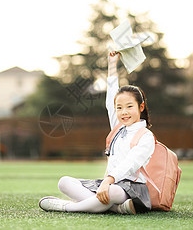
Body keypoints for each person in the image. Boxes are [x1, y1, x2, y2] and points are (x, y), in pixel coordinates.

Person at [38, 51, 155, 214]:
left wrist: (108, 181)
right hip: (109, 184)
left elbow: (130, 164)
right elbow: (111, 99)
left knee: (111, 192)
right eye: (119, 108)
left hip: (130, 189)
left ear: (140, 107)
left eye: (129, 106)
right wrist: (112, 64)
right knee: (64, 182)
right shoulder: (118, 127)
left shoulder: (146, 136)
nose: (124, 112)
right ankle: (115, 209)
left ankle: (67, 207)